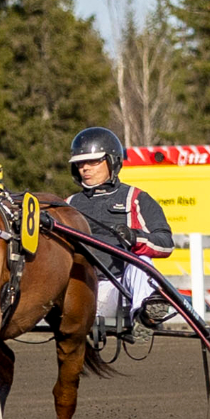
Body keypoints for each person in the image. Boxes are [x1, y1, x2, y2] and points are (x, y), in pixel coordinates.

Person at [66, 126, 176, 345]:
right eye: (80, 163)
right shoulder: (68, 204)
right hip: (80, 292)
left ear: (112, 161)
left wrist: (136, 238)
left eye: (93, 162)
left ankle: (145, 317)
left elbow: (166, 244)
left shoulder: (135, 198)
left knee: (141, 261)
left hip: (120, 292)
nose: (85, 168)